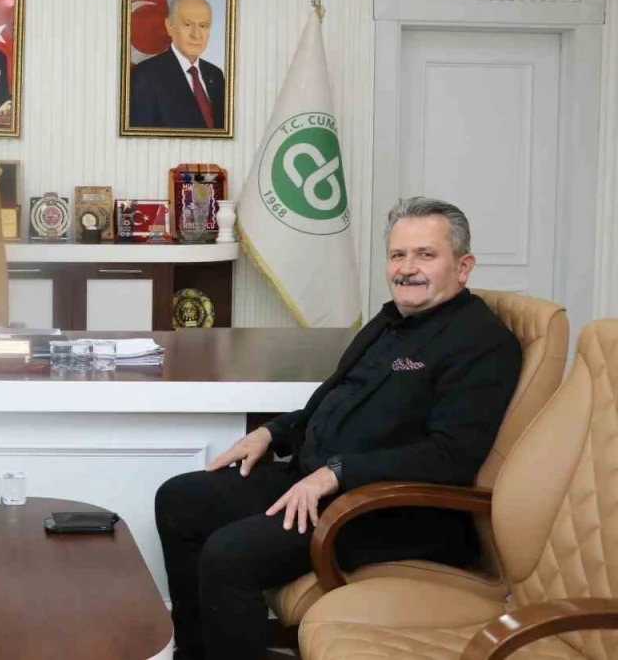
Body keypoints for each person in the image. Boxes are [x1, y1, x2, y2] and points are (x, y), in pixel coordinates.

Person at [153, 197, 522, 660]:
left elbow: (451, 455)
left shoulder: (483, 342)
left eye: (426, 255)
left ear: (463, 267)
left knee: (230, 554)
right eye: (397, 255)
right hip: (315, 480)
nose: (407, 268)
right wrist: (273, 433)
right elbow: (332, 397)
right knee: (179, 499)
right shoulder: (390, 321)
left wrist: (337, 473)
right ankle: (196, 653)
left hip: (389, 509)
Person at [129, 0, 226, 130]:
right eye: (187, 24)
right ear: (169, 26)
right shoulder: (146, 75)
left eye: (203, 26)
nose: (196, 35)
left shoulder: (215, 74)